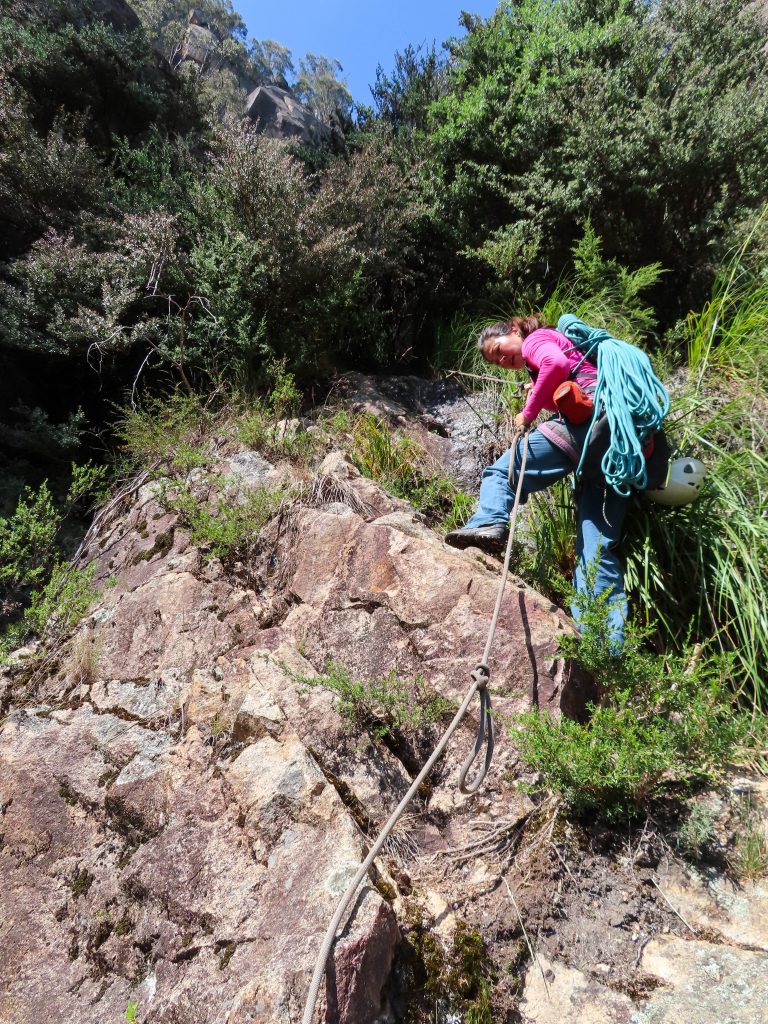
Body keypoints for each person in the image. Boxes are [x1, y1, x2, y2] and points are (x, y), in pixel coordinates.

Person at [445, 315, 629, 650]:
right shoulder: (553, 350)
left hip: (587, 425)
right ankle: (605, 647)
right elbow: (560, 371)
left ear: (514, 331)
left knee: (500, 474)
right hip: (616, 448)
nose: (503, 361)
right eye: (496, 362)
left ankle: (488, 522)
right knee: (595, 551)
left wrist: (528, 412)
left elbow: (555, 362)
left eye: (499, 350)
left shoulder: (536, 340)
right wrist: (538, 390)